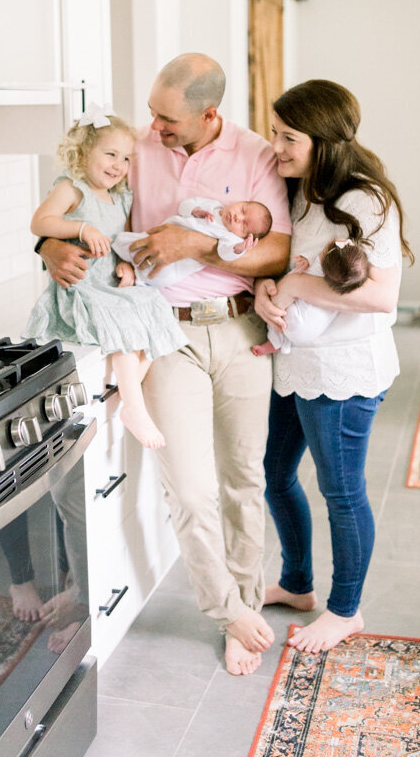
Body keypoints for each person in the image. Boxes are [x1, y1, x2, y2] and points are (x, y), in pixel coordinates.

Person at [38, 53, 292, 676]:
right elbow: (91, 210)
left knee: (243, 481)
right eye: (151, 112)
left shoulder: (256, 155)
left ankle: (247, 603)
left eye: (166, 117)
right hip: (163, 335)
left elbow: (280, 250)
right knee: (191, 487)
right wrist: (48, 243)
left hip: (238, 331)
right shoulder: (139, 151)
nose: (154, 127)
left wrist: (200, 244)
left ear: (209, 114)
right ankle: (229, 612)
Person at [255, 79, 413, 654]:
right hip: (295, 362)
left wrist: (295, 282)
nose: (276, 146)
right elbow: (289, 261)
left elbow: (380, 297)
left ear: (323, 140)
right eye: (274, 132)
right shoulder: (299, 191)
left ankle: (345, 610)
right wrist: (271, 287)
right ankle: (297, 584)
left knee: (342, 493)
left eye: (288, 136)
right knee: (275, 474)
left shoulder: (367, 200)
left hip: (344, 373)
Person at [23, 108, 187, 450]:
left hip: (109, 284)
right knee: (124, 324)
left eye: (126, 158)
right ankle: (134, 406)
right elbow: (40, 222)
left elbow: (120, 240)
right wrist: (80, 228)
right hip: (82, 287)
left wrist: (126, 266)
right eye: (110, 154)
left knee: (156, 306)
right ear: (83, 152)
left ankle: (127, 400)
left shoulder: (119, 196)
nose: (118, 165)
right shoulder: (73, 188)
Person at [113, 196, 273, 288]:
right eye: (243, 210)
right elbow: (185, 205)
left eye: (244, 226)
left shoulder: (230, 237)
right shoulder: (213, 206)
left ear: (244, 237)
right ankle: (115, 248)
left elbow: (224, 253)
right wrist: (195, 210)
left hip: (180, 263)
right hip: (163, 233)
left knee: (163, 277)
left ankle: (138, 278)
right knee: (131, 242)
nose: (238, 217)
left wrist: (239, 248)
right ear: (240, 201)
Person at [252, 238, 370, 355]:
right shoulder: (342, 288)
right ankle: (280, 343)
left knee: (284, 293)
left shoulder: (319, 264)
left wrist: (307, 259)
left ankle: (275, 341)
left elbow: (319, 257)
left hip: (294, 322)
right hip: (311, 332)